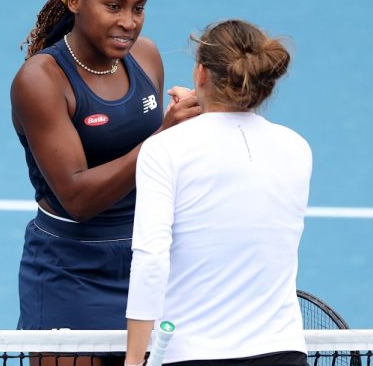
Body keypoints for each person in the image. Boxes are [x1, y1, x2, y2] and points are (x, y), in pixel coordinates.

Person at [10, 0, 199, 334]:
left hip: (147, 258)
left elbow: (155, 165)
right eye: (114, 6)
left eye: (138, 8)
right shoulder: (41, 79)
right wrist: (165, 135)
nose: (129, 22)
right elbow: (78, 199)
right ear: (76, 1)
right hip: (69, 270)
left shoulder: (145, 56)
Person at [125, 19, 311, 366]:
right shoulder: (297, 149)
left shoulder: (165, 150)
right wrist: (209, 108)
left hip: (194, 357)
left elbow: (151, 259)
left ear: (200, 73)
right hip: (283, 352)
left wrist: (134, 360)